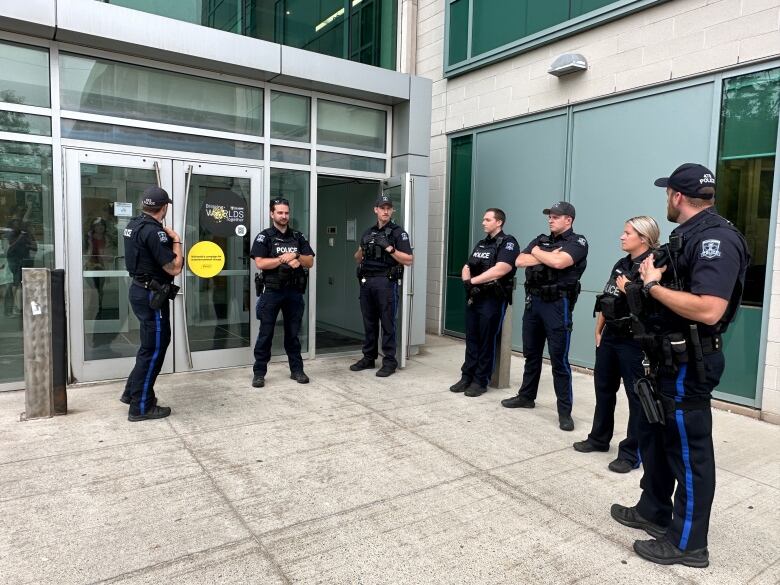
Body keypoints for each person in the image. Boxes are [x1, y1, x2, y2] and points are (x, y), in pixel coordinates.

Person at [610, 163, 749, 568]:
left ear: (675, 196)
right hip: (665, 355)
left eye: (665, 193)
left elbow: (708, 309)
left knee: (689, 452)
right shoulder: (684, 237)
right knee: (658, 436)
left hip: (691, 359)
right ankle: (653, 509)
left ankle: (689, 543)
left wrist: (651, 286)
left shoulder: (716, 240)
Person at [573, 216, 660, 473]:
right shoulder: (621, 263)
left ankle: (631, 453)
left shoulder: (655, 264)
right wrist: (598, 330)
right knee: (604, 389)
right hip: (610, 336)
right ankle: (599, 439)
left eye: (627, 233)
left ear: (643, 238)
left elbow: (654, 303)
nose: (621, 237)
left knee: (637, 397)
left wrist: (630, 288)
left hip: (635, 340)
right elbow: (606, 297)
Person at [501, 201, 588, 431]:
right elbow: (519, 261)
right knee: (531, 354)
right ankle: (526, 397)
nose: (550, 219)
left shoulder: (577, 242)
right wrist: (544, 253)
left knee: (559, 360)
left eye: (556, 216)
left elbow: (560, 262)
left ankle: (564, 412)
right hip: (534, 303)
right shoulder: (541, 239)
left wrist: (537, 253)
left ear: (568, 220)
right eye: (549, 215)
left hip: (558, 304)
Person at [121, 187, 183, 422]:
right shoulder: (153, 232)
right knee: (155, 348)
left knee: (149, 346)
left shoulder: (133, 224)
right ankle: (141, 406)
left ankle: (132, 393)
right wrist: (176, 240)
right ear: (164, 207)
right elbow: (174, 267)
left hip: (140, 289)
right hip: (150, 295)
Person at [449, 208, 519, 396]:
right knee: (472, 339)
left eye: (487, 219)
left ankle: (480, 381)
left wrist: (472, 281)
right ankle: (467, 377)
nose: (483, 222)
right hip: (475, 297)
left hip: (492, 299)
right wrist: (467, 282)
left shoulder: (508, 243)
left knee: (486, 341)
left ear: (499, 222)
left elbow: (501, 269)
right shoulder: (481, 244)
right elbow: (467, 265)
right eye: (483, 219)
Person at [251, 197, 315, 388]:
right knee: (266, 334)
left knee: (293, 334)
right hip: (272, 292)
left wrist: (296, 255)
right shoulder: (264, 237)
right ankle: (259, 373)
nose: (284, 216)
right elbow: (261, 262)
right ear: (272, 214)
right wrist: (283, 259)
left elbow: (309, 261)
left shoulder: (298, 237)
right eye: (280, 212)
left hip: (294, 292)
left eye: (286, 212)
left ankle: (297, 370)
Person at [349, 193, 414, 377]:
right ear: (376, 210)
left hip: (386, 282)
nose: (385, 211)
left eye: (388, 208)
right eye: (382, 208)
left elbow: (409, 260)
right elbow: (357, 258)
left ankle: (389, 361)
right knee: (369, 323)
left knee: (387, 323)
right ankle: (368, 358)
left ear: (392, 210)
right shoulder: (368, 232)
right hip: (367, 282)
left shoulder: (398, 233)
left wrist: (389, 247)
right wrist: (364, 247)